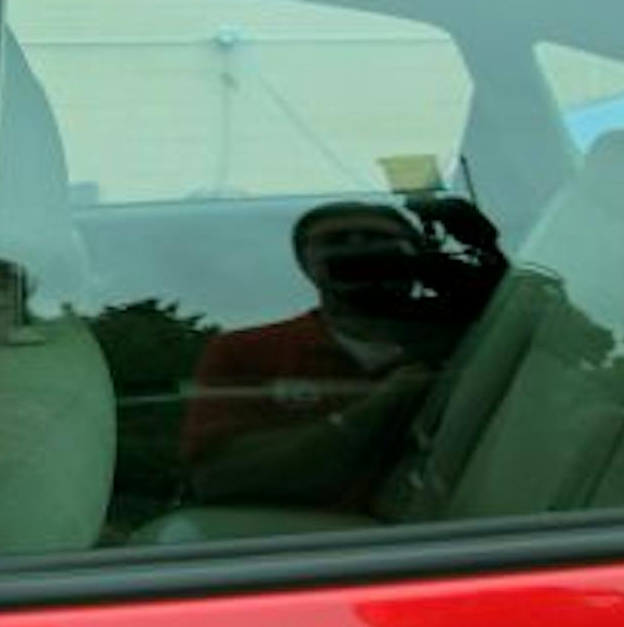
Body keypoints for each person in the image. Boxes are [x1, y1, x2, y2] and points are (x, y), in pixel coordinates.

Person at [177, 202, 445, 506]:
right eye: (336, 240)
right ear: (306, 266)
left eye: (377, 238)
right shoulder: (246, 351)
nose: (358, 249)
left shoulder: (468, 339)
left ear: (419, 257)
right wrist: (379, 405)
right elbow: (215, 480)